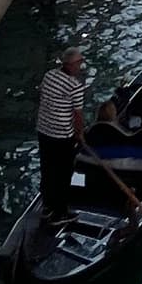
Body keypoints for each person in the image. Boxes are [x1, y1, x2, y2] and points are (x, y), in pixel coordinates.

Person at [36, 49, 87, 217]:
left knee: (47, 169)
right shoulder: (75, 87)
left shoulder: (49, 75)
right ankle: (59, 214)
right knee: (63, 175)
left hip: (43, 131)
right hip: (62, 137)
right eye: (79, 62)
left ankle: (47, 207)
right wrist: (80, 135)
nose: (81, 65)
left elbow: (44, 96)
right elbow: (78, 116)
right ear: (71, 65)